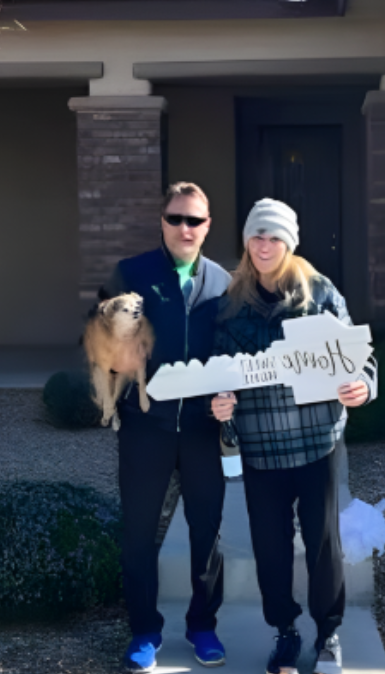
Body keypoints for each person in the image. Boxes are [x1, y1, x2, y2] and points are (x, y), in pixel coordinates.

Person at [210, 199, 374, 674]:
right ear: (246, 241)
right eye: (256, 237)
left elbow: (361, 359)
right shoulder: (229, 306)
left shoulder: (320, 294)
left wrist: (363, 386)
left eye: (274, 237)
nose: (264, 246)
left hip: (317, 442)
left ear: (289, 243)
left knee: (323, 544)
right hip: (261, 449)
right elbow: (217, 373)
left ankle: (328, 634)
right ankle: (285, 632)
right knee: (270, 547)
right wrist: (217, 404)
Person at [98, 182, 231, 672]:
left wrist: (230, 397)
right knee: (138, 532)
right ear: (162, 222)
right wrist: (113, 359)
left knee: (207, 531)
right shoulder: (131, 274)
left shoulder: (224, 283)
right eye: (176, 218)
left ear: (207, 225)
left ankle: (203, 625)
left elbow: (234, 352)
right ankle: (144, 631)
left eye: (194, 220)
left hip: (201, 429)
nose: (184, 228)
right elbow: (99, 337)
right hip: (145, 427)